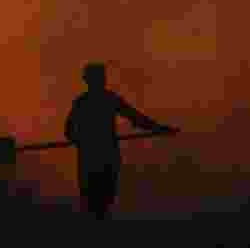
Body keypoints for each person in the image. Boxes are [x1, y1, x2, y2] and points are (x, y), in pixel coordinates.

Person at [64, 63, 178, 220]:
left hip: (94, 158)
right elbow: (69, 132)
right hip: (100, 157)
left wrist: (159, 128)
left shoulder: (85, 102)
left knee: (97, 204)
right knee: (99, 204)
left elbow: (69, 132)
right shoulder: (100, 100)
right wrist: (159, 128)